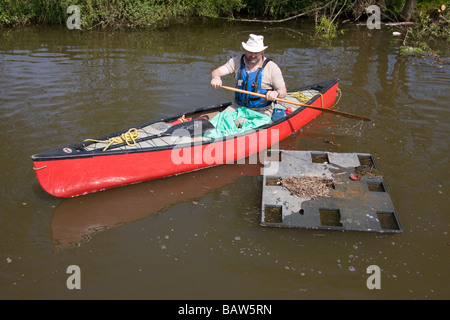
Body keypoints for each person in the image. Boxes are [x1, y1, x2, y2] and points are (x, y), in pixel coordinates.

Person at [210, 34, 287, 117]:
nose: (253, 56)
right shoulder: (236, 61)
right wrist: (216, 78)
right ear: (245, 50)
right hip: (237, 107)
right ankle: (199, 128)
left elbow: (283, 91)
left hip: (261, 110)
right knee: (219, 122)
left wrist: (276, 93)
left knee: (247, 127)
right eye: (250, 52)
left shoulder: (272, 67)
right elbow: (216, 72)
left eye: (256, 53)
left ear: (262, 51)